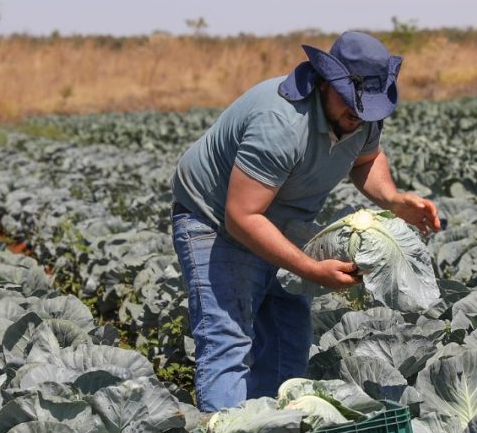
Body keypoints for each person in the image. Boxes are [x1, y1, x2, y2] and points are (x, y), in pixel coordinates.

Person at [170, 30, 439, 412]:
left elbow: (366, 159)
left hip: (285, 223)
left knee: (289, 341)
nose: (360, 117)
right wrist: (311, 269)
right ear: (327, 82)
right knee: (228, 341)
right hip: (216, 223)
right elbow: (242, 217)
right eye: (353, 104)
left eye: (369, 110)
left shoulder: (362, 118)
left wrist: (393, 199)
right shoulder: (281, 122)